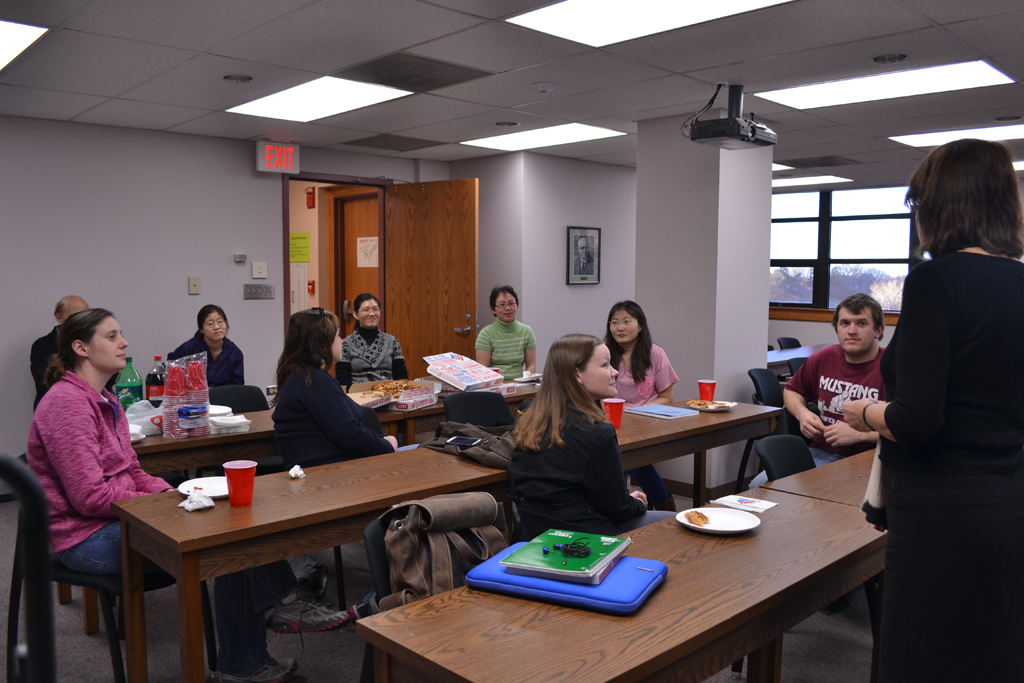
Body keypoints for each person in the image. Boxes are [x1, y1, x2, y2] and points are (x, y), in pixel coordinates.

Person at [26, 308, 349, 683]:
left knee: (231, 529)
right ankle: (269, 627)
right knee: (223, 544)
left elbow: (132, 470)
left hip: (116, 517)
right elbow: (88, 497)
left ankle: (260, 641)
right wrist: (160, 505)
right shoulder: (66, 403)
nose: (125, 343)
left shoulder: (108, 401)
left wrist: (175, 493)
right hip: (80, 535)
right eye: (112, 336)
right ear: (80, 347)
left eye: (121, 334)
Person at [843, 139, 1024, 683]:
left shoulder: (935, 280)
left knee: (922, 659)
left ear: (940, 205)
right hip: (1007, 500)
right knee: (990, 654)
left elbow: (917, 421)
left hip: (939, 512)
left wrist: (867, 412)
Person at [509, 333, 676, 540]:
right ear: (577, 375)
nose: (614, 372)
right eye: (605, 365)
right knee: (679, 524)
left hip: (538, 535)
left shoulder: (530, 417)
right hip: (586, 542)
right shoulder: (597, 434)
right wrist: (636, 504)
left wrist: (625, 501)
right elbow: (618, 508)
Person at [749, 293, 886, 489]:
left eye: (862, 324)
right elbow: (791, 391)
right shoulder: (823, 358)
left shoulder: (893, 367)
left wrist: (860, 435)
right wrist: (803, 414)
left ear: (878, 331)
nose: (852, 330)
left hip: (870, 460)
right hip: (819, 453)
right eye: (845, 323)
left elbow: (908, 429)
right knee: (759, 487)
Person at [273, 307, 398, 470]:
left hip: (332, 470)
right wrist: (388, 446)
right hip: (331, 476)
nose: (341, 340)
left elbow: (347, 429)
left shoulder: (304, 376)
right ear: (321, 343)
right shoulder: (314, 382)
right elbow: (351, 437)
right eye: (338, 335)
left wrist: (382, 439)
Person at [604, 301, 679, 511]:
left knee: (635, 458)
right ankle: (662, 506)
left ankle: (654, 507)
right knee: (618, 457)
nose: (620, 327)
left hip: (648, 420)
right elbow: (599, 394)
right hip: (613, 420)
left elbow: (667, 397)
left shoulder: (655, 353)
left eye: (626, 321)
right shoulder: (605, 354)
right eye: (614, 322)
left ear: (640, 326)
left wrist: (636, 413)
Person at [30, 295, 97, 408]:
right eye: (76, 315)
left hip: (96, 404)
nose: (81, 320)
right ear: (59, 317)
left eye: (85, 315)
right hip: (57, 408)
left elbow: (110, 374)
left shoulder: (95, 340)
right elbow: (45, 383)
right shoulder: (42, 345)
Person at [334, 293, 408, 390]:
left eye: (375, 309)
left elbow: (401, 374)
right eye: (366, 310)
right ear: (355, 314)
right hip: (357, 396)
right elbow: (342, 379)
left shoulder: (392, 341)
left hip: (389, 394)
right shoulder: (346, 344)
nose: (372, 313)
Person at [168, 304, 244, 387]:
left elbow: (237, 385)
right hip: (194, 398)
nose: (217, 327)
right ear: (201, 329)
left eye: (220, 322)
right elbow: (170, 372)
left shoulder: (235, 352)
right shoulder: (188, 349)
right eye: (210, 324)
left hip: (224, 398)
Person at [475, 285, 537, 381]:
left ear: (517, 305)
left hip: (520, 385)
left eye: (511, 303)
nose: (507, 308)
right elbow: (483, 370)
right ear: (493, 309)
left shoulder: (527, 331)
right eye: (502, 305)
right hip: (495, 386)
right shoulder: (486, 334)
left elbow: (531, 365)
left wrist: (525, 380)